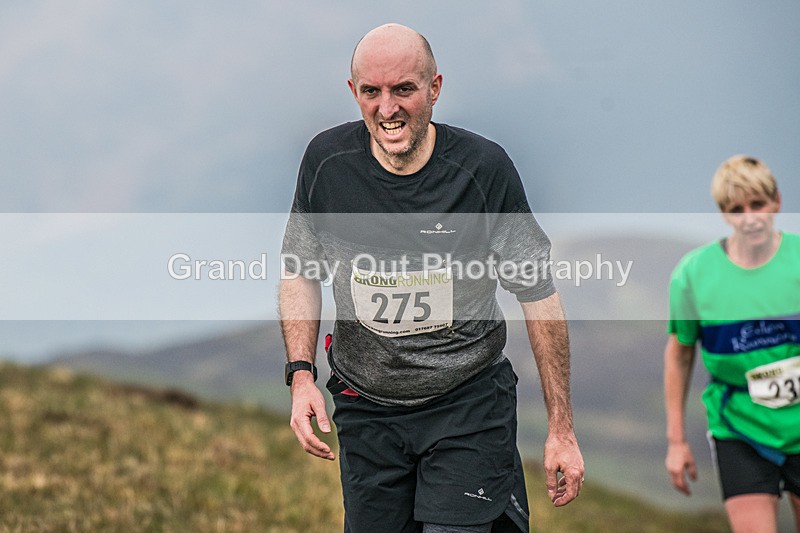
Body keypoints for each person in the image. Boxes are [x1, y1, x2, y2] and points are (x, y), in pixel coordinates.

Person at [280, 23, 584, 533]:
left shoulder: (483, 170)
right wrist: (301, 374)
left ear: (435, 89)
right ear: (353, 93)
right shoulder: (327, 164)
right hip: (366, 409)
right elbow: (300, 272)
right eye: (372, 92)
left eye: (404, 89)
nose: (388, 108)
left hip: (467, 406)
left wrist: (562, 429)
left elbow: (539, 295)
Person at [664, 155, 800, 532]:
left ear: (777, 202)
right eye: (736, 209)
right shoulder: (693, 275)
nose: (749, 218)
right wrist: (677, 441)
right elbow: (679, 355)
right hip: (739, 425)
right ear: (724, 214)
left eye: (757, 204)